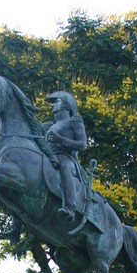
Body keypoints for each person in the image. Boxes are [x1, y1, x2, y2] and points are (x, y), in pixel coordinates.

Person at [44, 91, 87, 221]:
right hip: (49, 158)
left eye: (56, 101)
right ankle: (16, 226)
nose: (52, 106)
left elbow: (82, 145)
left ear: (67, 105)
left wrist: (60, 139)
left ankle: (70, 208)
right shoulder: (49, 126)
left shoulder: (74, 121)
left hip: (67, 158)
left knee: (64, 166)